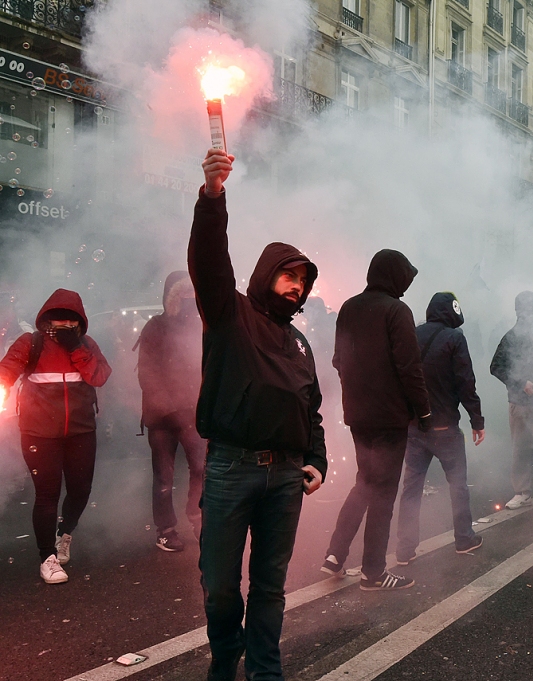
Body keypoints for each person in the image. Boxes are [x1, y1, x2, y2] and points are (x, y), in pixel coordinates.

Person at [190, 149, 327, 681]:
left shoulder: (299, 342)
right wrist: (212, 197)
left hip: (286, 477)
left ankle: (265, 671)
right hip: (231, 469)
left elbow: (310, 408)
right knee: (220, 584)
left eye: (303, 280)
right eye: (288, 276)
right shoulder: (230, 313)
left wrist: (316, 458)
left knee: (270, 585)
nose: (296, 286)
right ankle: (225, 660)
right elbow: (208, 258)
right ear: (267, 274)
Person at [322, 249, 430, 591]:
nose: (407, 286)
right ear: (394, 276)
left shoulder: (349, 307)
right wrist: (423, 411)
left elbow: (338, 360)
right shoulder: (397, 310)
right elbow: (409, 367)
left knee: (364, 482)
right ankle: (373, 571)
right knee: (383, 492)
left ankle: (335, 555)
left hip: (358, 416)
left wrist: (358, 388)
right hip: (390, 418)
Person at [0, 289, 111, 584]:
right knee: (47, 494)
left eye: (70, 321)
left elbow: (99, 376)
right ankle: (46, 556)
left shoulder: (86, 345)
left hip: (81, 431)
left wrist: (76, 347)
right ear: (45, 320)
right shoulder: (31, 343)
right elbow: (6, 371)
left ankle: (65, 533)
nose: (62, 326)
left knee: (80, 489)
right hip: (39, 433)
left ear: (79, 323)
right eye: (56, 320)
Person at [395, 292, 486, 565]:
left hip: (414, 428)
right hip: (446, 428)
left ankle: (404, 549)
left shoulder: (412, 334)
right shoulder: (454, 338)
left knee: (411, 488)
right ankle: (464, 538)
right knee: (458, 485)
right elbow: (465, 381)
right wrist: (477, 420)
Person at [136, 271, 204, 551]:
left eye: (192, 294)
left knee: (202, 469)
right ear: (169, 298)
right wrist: (169, 404)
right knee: (163, 477)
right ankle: (166, 529)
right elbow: (147, 372)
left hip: (194, 415)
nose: (187, 299)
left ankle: (198, 517)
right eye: (181, 295)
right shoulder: (155, 327)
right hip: (162, 417)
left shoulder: (202, 327)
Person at [489, 291, 533, 509]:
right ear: (529, 311)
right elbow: (496, 367)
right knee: (521, 449)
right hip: (520, 404)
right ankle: (522, 492)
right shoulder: (512, 337)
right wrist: (522, 383)